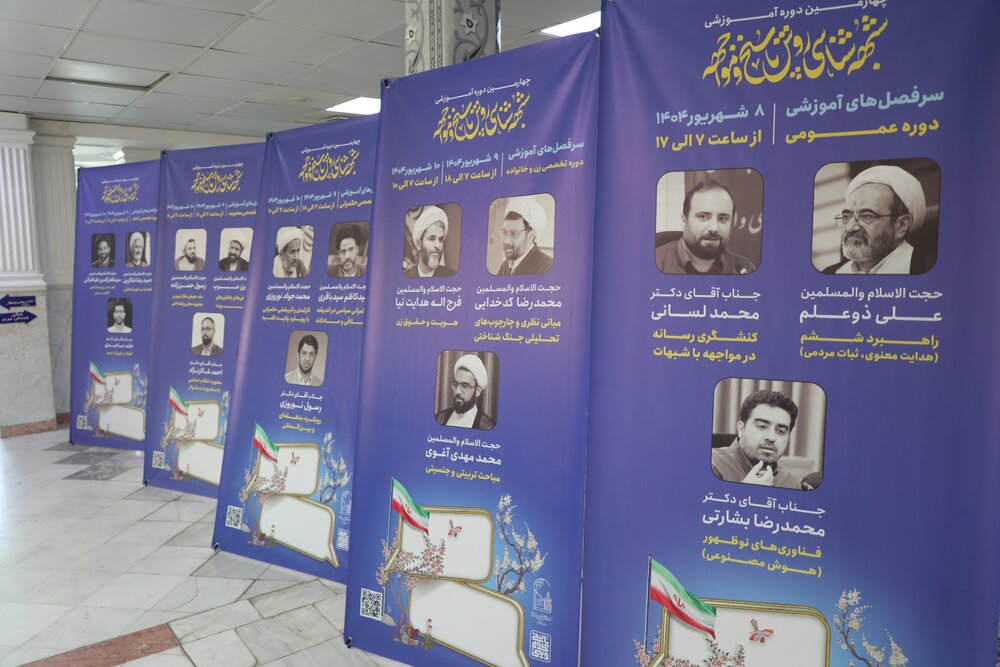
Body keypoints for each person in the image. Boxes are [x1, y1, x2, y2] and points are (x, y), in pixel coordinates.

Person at [822, 165, 927, 275]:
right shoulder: (829, 274)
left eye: (867, 216)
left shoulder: (925, 272)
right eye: (846, 217)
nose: (850, 227)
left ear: (901, 225)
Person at [655, 180, 755, 275]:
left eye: (723, 219)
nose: (714, 228)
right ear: (684, 220)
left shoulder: (746, 270)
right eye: (703, 217)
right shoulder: (655, 264)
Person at [711, 389, 804, 490]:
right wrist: (745, 490)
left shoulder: (791, 482)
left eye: (781, 431)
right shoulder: (712, 465)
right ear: (741, 429)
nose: (771, 437)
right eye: (762, 426)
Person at [435, 354, 495, 430]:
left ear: (478, 390)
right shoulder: (439, 418)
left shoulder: (487, 427)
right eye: (456, 385)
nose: (458, 391)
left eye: (464, 386)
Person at [496, 196, 553, 275]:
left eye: (514, 233)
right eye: (504, 232)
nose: (507, 240)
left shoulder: (547, 267)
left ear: (530, 236)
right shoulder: (505, 265)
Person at [405, 206, 455, 278]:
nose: (438, 245)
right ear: (419, 244)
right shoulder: (407, 276)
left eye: (441, 240)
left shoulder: (451, 276)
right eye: (432, 239)